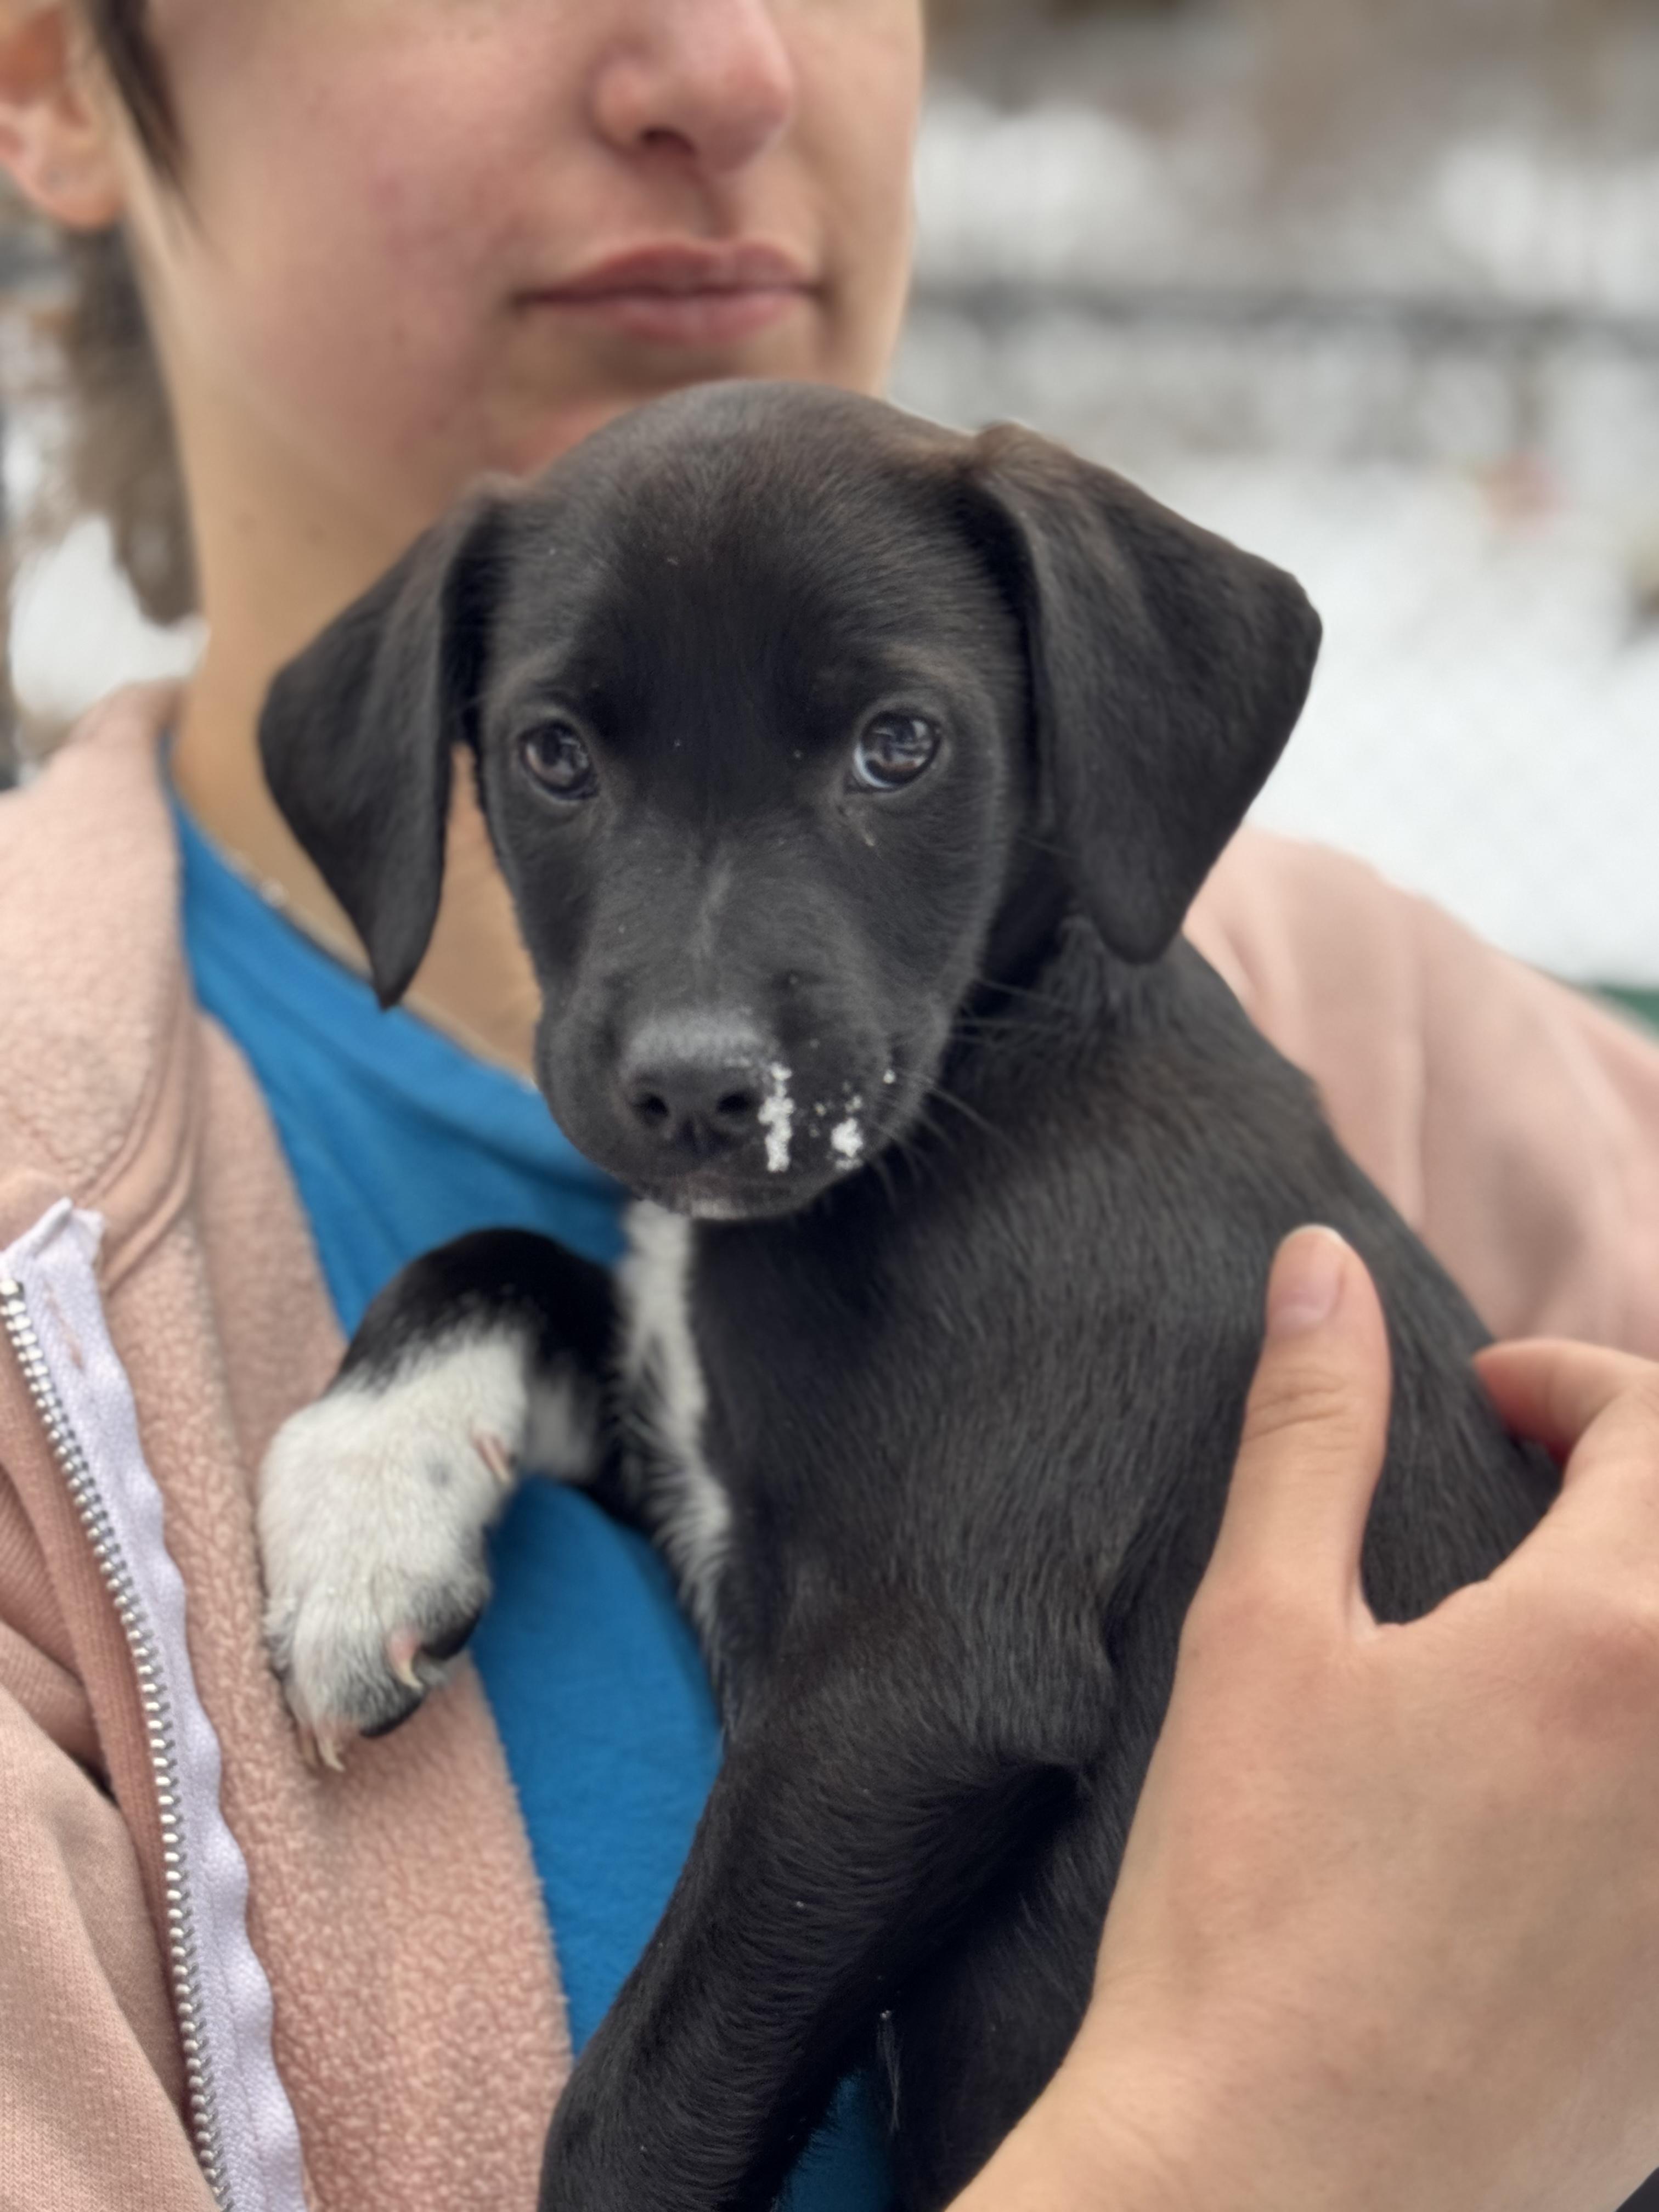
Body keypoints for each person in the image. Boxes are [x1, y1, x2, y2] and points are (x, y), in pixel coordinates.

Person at [0, 4, 1655, 2208]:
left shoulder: (1381, 1048)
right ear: (50, 77)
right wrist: (1302, 2131)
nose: (726, 58)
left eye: (892, 751)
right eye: (563, 764)